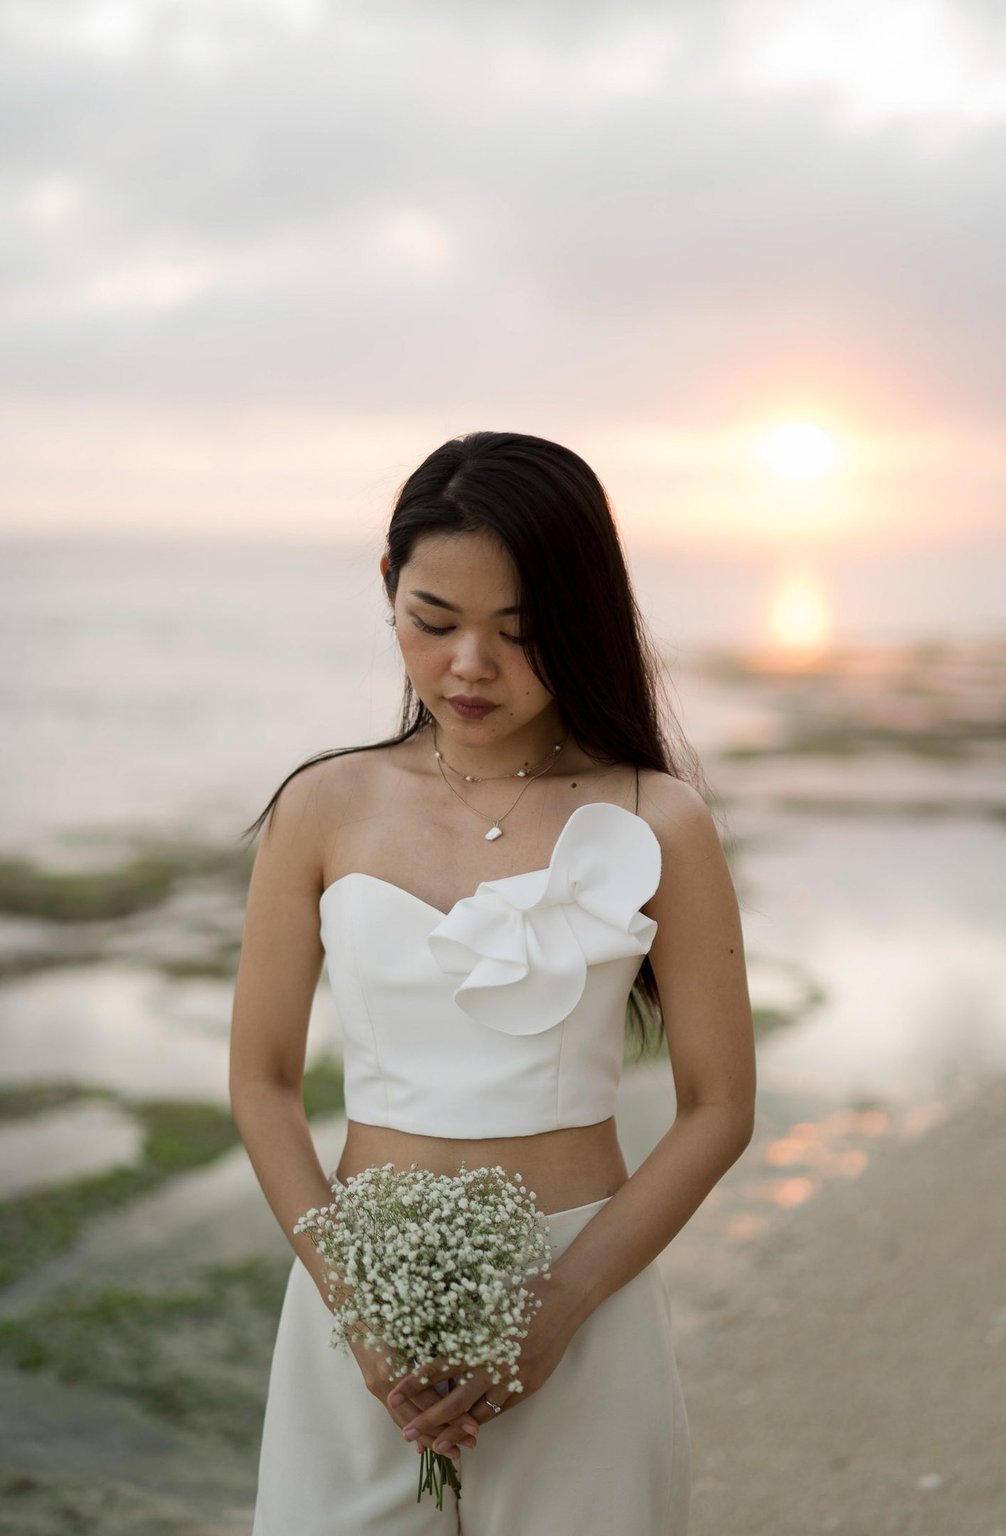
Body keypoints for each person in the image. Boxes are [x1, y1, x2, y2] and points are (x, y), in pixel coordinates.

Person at [230, 430, 757, 1535]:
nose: (469, 665)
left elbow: (718, 1106)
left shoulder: (659, 820)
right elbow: (264, 1083)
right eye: (434, 622)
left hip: (585, 1302)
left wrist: (561, 1305)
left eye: (520, 634)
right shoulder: (321, 807)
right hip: (356, 1301)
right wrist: (355, 1302)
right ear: (388, 591)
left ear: (585, 621)